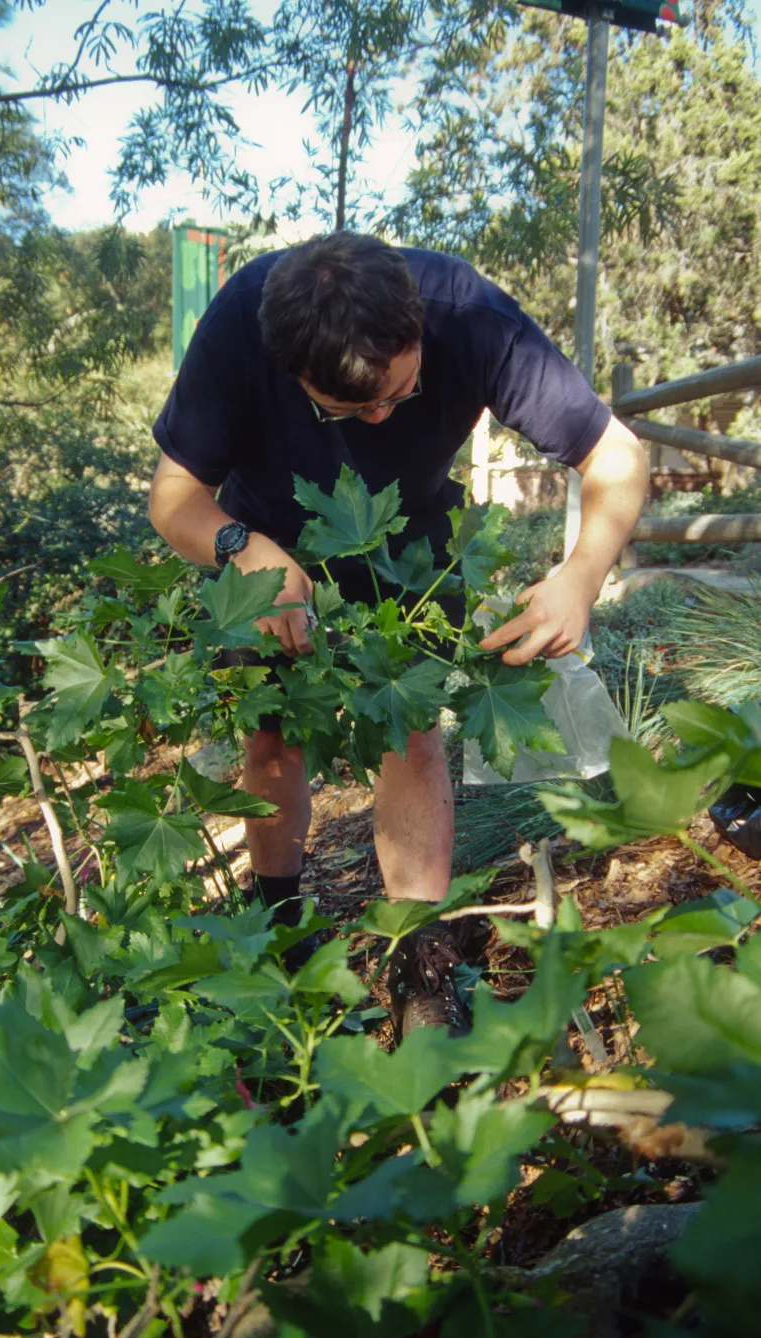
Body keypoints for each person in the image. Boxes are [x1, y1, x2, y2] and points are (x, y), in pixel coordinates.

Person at [149, 232, 647, 1040]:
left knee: (410, 734)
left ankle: (422, 970)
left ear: (418, 328)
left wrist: (580, 576)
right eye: (347, 410)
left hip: (411, 551)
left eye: (399, 394)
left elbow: (615, 453)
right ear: (289, 369)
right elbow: (173, 498)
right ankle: (280, 931)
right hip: (264, 545)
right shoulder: (244, 318)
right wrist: (245, 550)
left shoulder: (469, 315)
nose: (380, 418)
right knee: (271, 743)